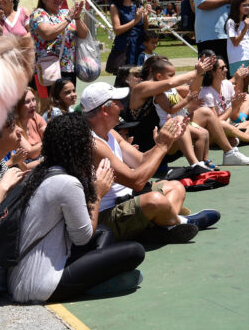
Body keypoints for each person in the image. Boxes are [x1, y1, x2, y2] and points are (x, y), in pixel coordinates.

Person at [8, 113, 147, 303]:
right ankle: (95, 285)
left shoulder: (40, 173)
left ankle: (98, 281)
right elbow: (82, 238)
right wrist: (97, 194)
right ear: (80, 148)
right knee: (135, 251)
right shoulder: (67, 183)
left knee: (104, 231)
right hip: (41, 286)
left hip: (20, 279)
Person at [84, 83, 216, 243]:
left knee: (176, 187)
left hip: (127, 199)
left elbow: (140, 161)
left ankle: (161, 227)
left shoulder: (110, 132)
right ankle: (180, 222)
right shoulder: (93, 144)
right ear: (105, 110)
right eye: (117, 102)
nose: (121, 106)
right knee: (155, 200)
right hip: (107, 214)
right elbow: (137, 181)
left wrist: (164, 140)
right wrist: (162, 146)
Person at [29, 0, 88, 90]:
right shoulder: (38, 14)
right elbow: (47, 34)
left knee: (66, 102)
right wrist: (69, 19)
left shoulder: (65, 13)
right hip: (47, 68)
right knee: (47, 104)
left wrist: (78, 18)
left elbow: (84, 34)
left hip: (68, 68)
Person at [198, 59, 249, 145]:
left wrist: (240, 78)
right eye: (222, 68)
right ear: (212, 72)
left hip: (230, 127)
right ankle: (248, 138)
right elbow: (215, 124)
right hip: (215, 132)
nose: (226, 70)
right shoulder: (206, 94)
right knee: (223, 124)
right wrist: (231, 108)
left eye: (225, 67)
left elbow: (233, 116)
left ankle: (236, 139)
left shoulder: (226, 84)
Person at [106, 0, 150, 73]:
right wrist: (135, 21)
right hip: (125, 47)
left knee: (140, 76)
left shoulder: (138, 4)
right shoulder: (115, 6)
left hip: (139, 45)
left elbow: (145, 28)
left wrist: (146, 17)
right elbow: (117, 30)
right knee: (125, 78)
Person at [226, 0, 249, 96]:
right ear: (237, 6)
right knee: (238, 87)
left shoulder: (247, 21)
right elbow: (235, 42)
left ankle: (245, 110)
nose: (247, 8)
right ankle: (238, 110)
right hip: (237, 58)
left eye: (248, 5)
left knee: (246, 87)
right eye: (244, 5)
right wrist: (246, 27)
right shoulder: (231, 22)